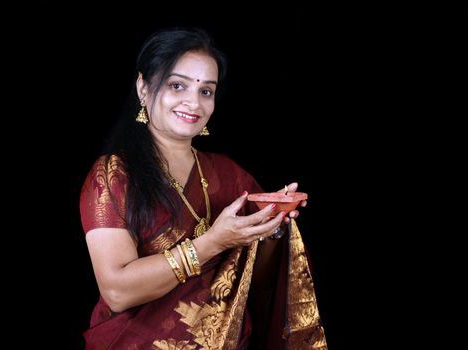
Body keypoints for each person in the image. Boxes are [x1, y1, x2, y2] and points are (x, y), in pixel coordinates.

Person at [79, 27, 327, 350]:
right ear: (143, 87)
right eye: (177, 85)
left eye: (206, 91)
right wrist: (211, 243)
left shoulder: (229, 175)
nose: (193, 102)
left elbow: (257, 281)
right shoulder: (113, 176)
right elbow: (117, 291)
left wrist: (271, 227)